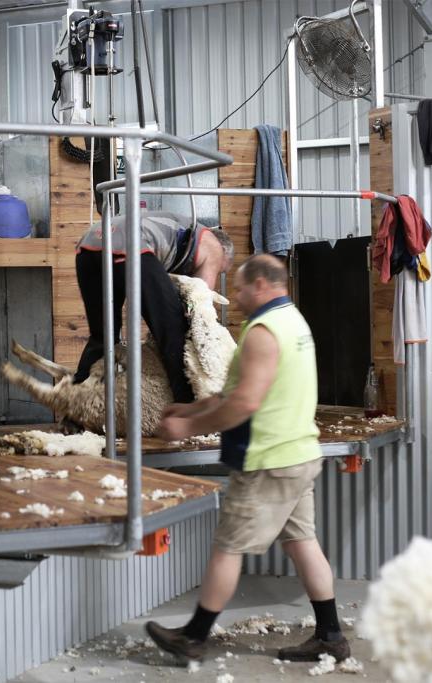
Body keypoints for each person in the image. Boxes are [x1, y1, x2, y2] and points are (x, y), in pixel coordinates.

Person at [145, 254, 349, 664]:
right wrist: (190, 410)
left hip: (267, 460)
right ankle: (331, 636)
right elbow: (236, 392)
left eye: (238, 288)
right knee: (303, 543)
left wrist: (186, 430)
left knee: (228, 547)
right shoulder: (294, 322)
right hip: (298, 453)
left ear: (260, 284)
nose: (234, 297)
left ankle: (195, 639)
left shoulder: (262, 332)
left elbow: (244, 403)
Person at [74, 210, 234, 403]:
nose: (218, 272)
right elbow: (199, 304)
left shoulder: (181, 237)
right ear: (225, 254)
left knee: (103, 335)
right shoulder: (215, 248)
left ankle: (74, 409)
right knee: (174, 331)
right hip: (130, 244)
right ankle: (187, 410)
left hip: (89, 244)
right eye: (221, 270)